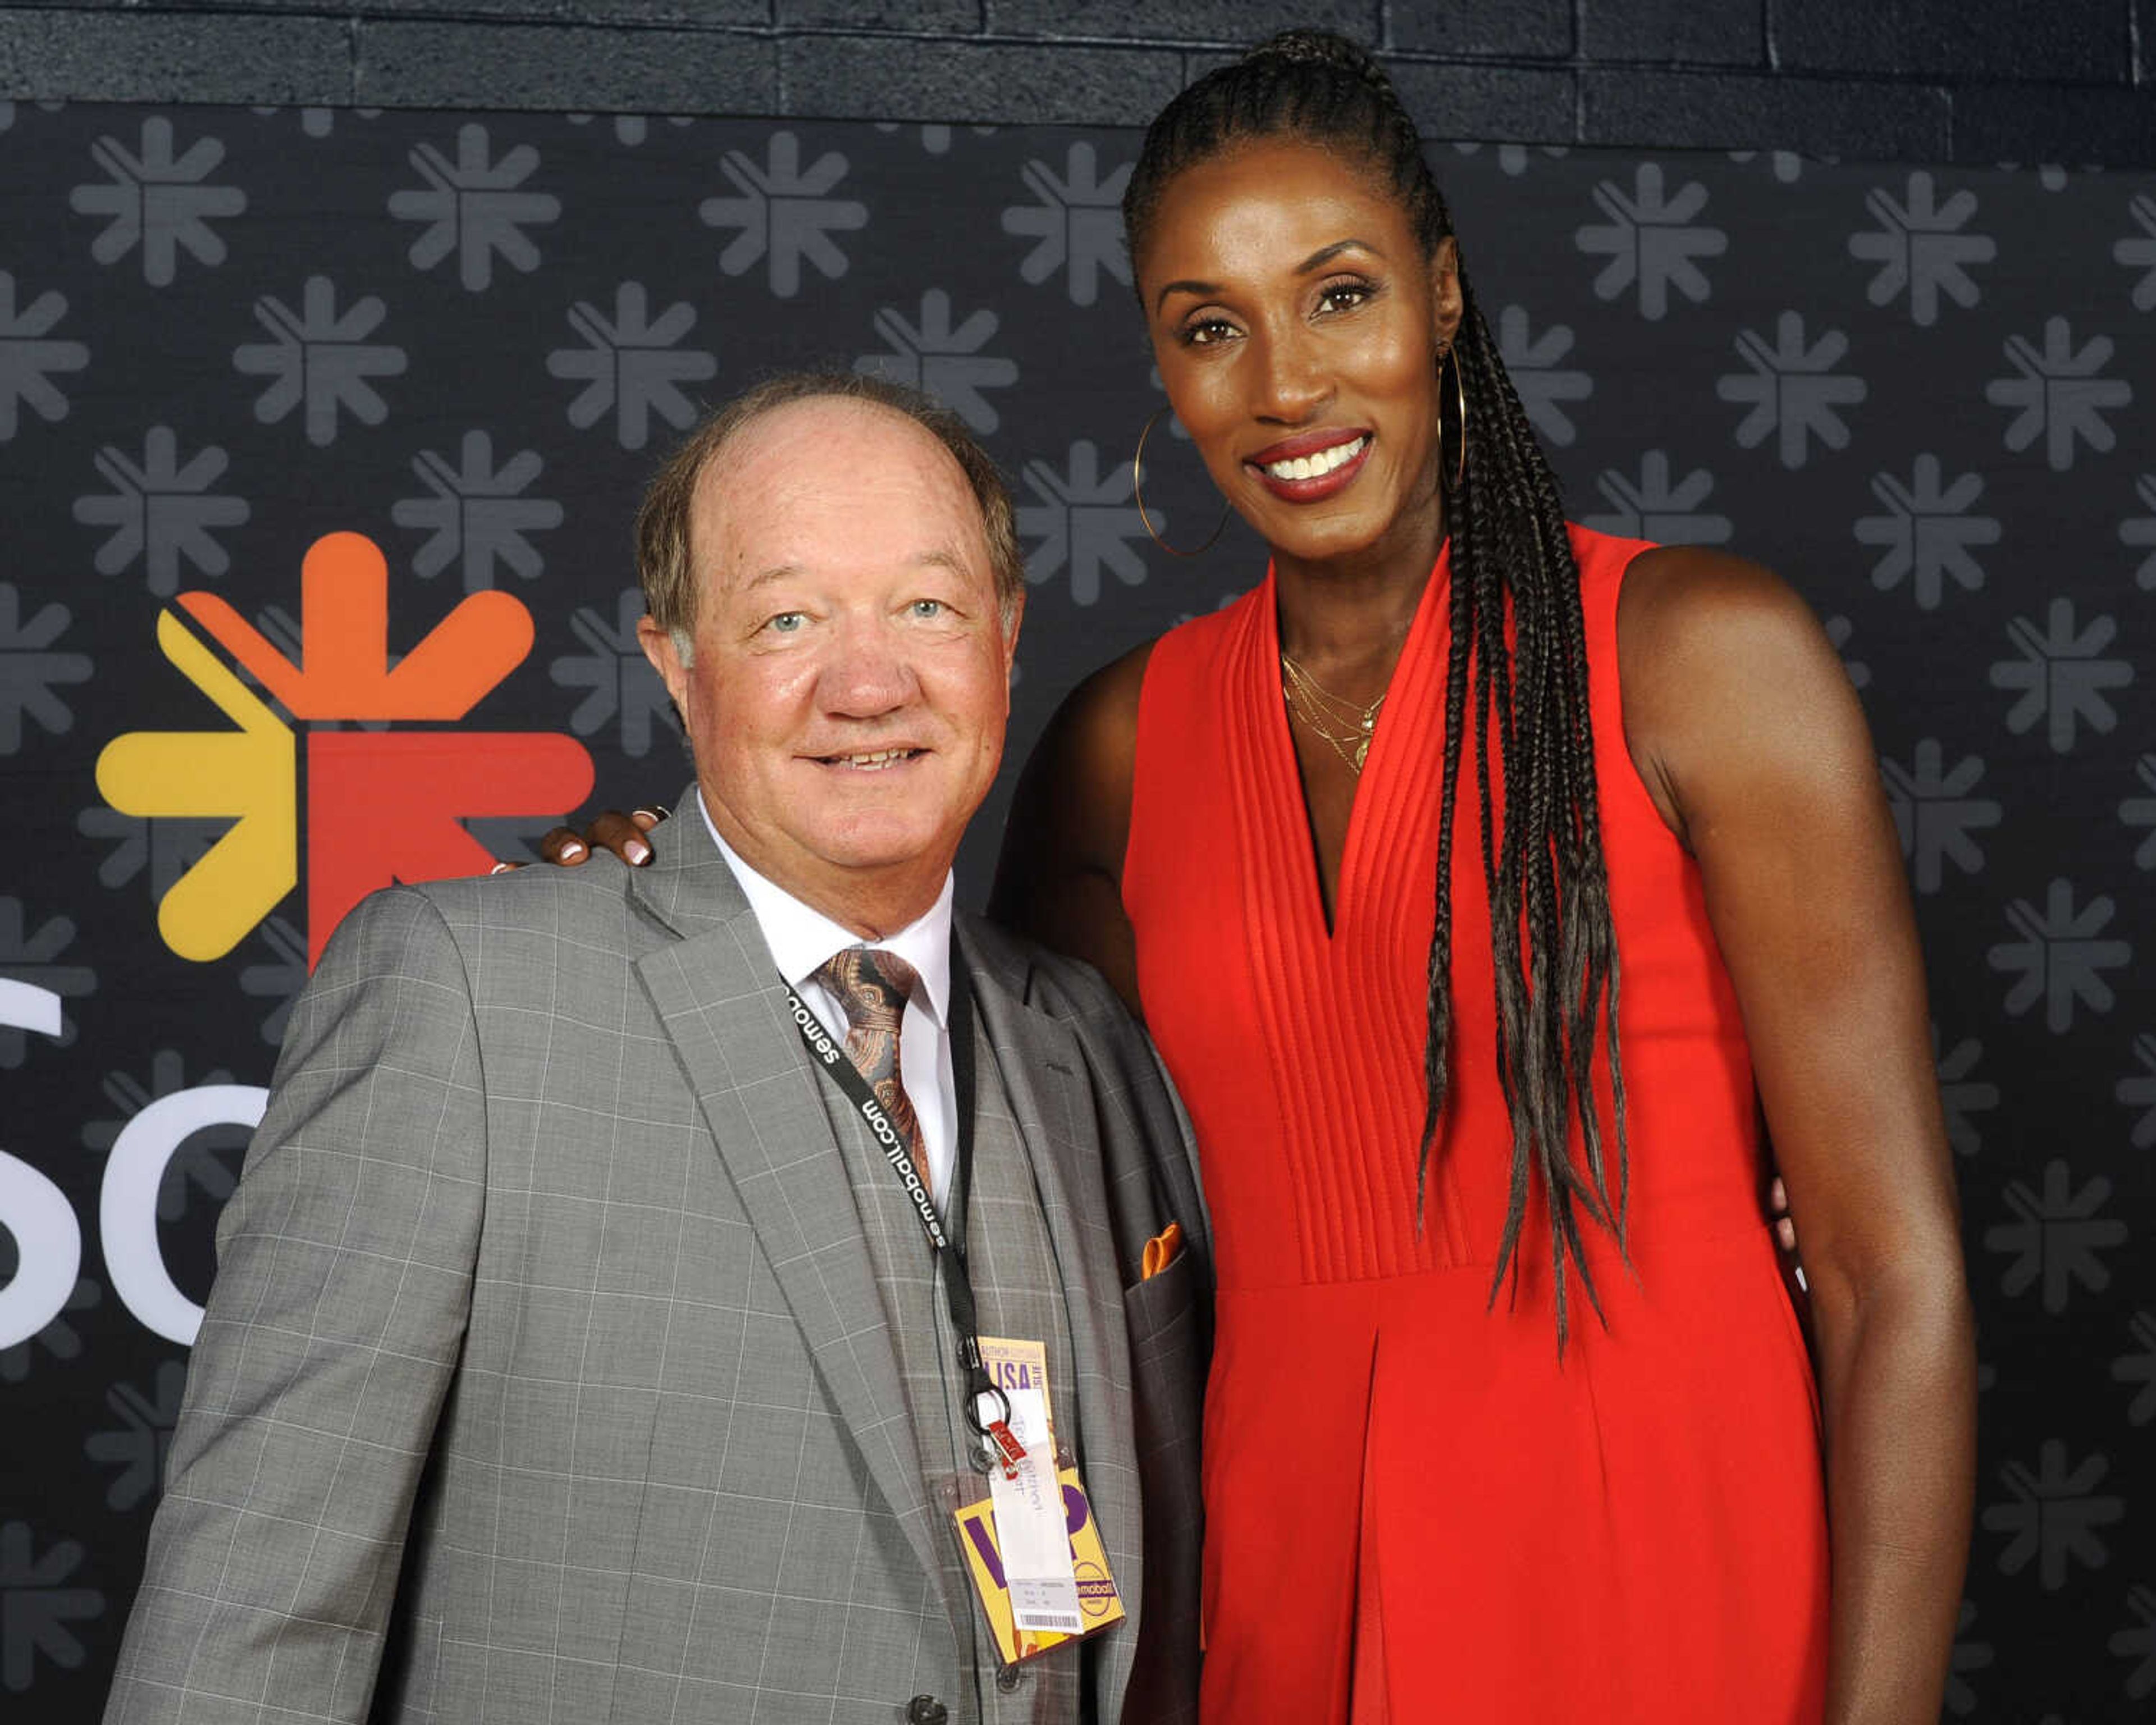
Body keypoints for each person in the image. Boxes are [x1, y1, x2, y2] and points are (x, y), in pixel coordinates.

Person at [551, 31, 1977, 1724]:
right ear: (1163, 365)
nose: (1285, 384)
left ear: (1444, 296)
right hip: (1274, 1578)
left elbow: (1899, 1282)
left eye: (1341, 295)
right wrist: (673, 887)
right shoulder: (1122, 745)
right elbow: (977, 1204)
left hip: (1656, 1552)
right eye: (1210, 329)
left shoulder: (1697, 659)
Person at [102, 373, 1211, 1725]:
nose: (869, 683)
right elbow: (248, 1630)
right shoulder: (462, 998)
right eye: (787, 619)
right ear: (677, 666)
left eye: (929, 607)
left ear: (1008, 638)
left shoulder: (1082, 1044)